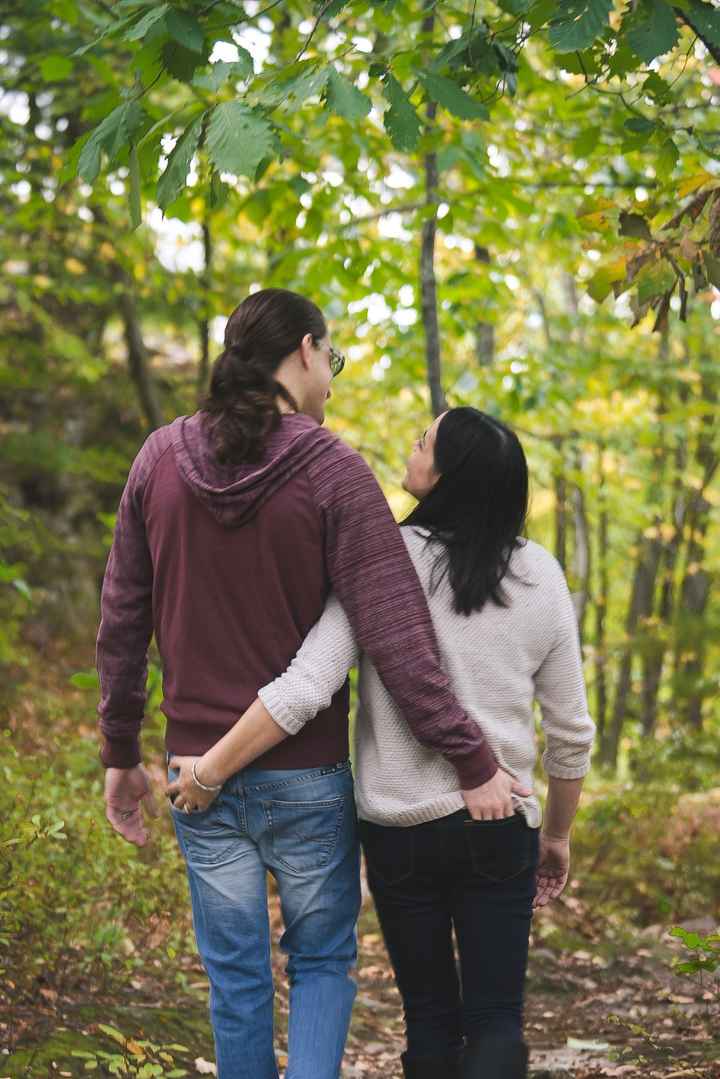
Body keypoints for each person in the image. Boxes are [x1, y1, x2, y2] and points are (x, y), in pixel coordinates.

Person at [96, 290, 527, 1079]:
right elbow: (399, 639)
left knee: (235, 978)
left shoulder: (158, 459)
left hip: (198, 773)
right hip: (306, 775)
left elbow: (122, 618)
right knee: (323, 961)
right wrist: (472, 756)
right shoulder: (336, 472)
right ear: (303, 350)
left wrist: (119, 749)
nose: (331, 376)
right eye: (331, 358)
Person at [169, 407, 595, 1079]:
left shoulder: (383, 557)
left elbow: (309, 682)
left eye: (423, 440)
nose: (411, 443)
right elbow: (571, 733)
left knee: (429, 1017)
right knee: (495, 1020)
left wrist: (212, 768)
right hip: (499, 821)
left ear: (446, 473)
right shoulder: (540, 575)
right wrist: (558, 836)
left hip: (401, 832)